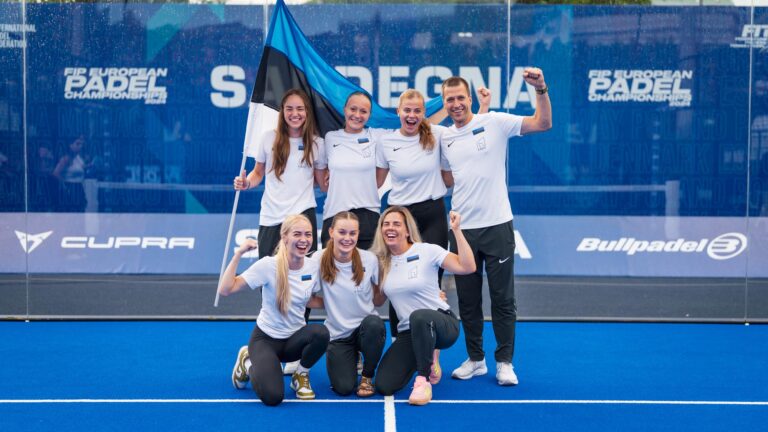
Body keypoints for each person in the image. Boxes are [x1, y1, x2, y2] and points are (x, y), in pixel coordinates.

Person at [439, 71, 552, 386]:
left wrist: (541, 88)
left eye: (461, 98)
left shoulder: (496, 122)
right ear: (444, 103)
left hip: (498, 225)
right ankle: (476, 360)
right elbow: (447, 178)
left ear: (469, 98)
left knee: (503, 299)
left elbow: (543, 123)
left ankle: (504, 362)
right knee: (468, 301)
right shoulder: (444, 137)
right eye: (450, 99)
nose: (456, 104)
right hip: (462, 231)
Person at [219, 214, 329, 406]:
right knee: (273, 397)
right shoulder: (268, 265)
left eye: (308, 234)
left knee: (321, 333)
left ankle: (300, 375)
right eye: (297, 234)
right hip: (265, 341)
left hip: (294, 342)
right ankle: (247, 362)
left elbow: (309, 300)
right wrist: (239, 254)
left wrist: (340, 303)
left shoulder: (312, 267)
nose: (304, 240)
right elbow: (226, 289)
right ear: (284, 237)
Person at [371, 206, 476, 405]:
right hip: (409, 332)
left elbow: (468, 267)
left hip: (441, 323)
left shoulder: (427, 250)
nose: (390, 228)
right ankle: (428, 356)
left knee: (419, 316)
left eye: (396, 224)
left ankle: (423, 380)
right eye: (386, 224)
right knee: (384, 385)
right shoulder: (382, 263)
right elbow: (377, 301)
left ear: (407, 230)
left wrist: (457, 230)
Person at [233, 89, 326, 259]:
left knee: (303, 272)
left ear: (307, 111)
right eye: (289, 109)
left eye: (300, 108)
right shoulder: (268, 138)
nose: (294, 114)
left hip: (303, 215)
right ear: (282, 111)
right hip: (271, 216)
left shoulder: (317, 143)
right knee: (269, 271)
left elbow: (323, 184)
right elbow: (258, 172)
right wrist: (246, 183)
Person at [313, 211, 386, 397]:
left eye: (352, 233)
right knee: (344, 388)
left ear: (358, 234)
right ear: (331, 232)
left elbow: (378, 300)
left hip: (366, 330)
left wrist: (389, 286)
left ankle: (367, 376)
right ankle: (353, 356)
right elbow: (305, 297)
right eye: (342, 232)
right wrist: (331, 303)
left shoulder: (369, 259)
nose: (347, 238)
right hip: (338, 335)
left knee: (374, 324)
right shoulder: (317, 259)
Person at [317, 92, 383, 250]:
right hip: (334, 215)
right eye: (353, 109)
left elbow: (378, 181)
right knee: (331, 266)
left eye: (363, 111)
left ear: (369, 115)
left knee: (369, 266)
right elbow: (323, 184)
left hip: (368, 217)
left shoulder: (377, 137)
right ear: (344, 109)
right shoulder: (330, 138)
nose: (357, 115)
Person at [53, 136, 90, 212]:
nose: (80, 146)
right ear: (71, 145)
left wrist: (92, 164)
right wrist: (65, 186)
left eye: (81, 144)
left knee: (81, 211)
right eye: (77, 144)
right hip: (71, 187)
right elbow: (55, 173)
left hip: (79, 187)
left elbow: (81, 168)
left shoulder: (78, 157)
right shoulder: (66, 158)